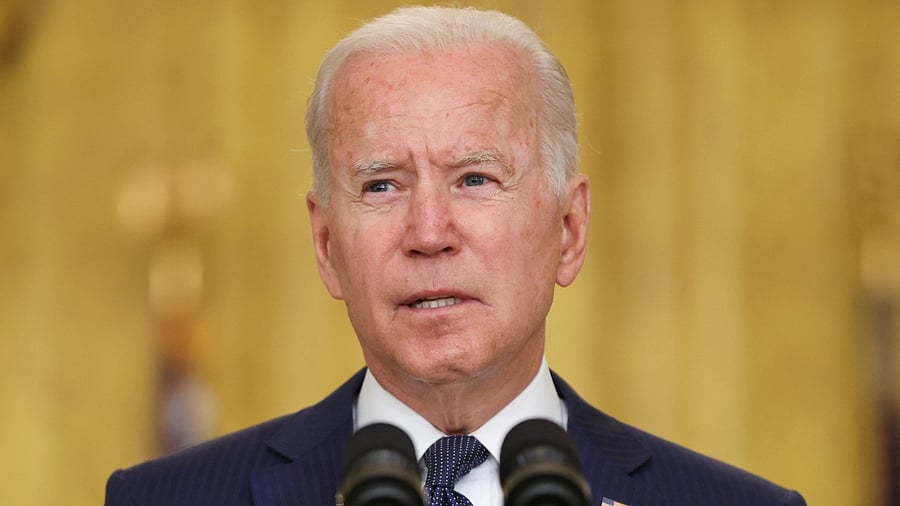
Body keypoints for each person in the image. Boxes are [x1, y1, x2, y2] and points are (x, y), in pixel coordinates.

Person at [105, 6, 806, 506]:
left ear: (568, 228)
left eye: (475, 179)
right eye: (382, 184)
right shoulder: (166, 499)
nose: (430, 231)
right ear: (326, 245)